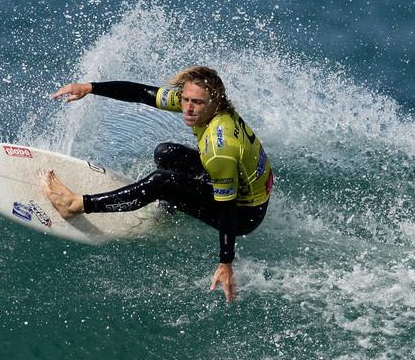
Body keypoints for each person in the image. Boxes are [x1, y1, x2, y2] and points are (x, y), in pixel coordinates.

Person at [46, 66, 273, 302]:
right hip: (242, 182)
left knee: (161, 182)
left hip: (243, 213)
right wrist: (90, 88)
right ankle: (170, 210)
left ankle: (76, 205)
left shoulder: (220, 148)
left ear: (215, 103)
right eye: (185, 99)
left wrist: (226, 262)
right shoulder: (206, 107)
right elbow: (142, 93)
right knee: (166, 153)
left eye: (196, 102)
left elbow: (226, 208)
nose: (188, 108)